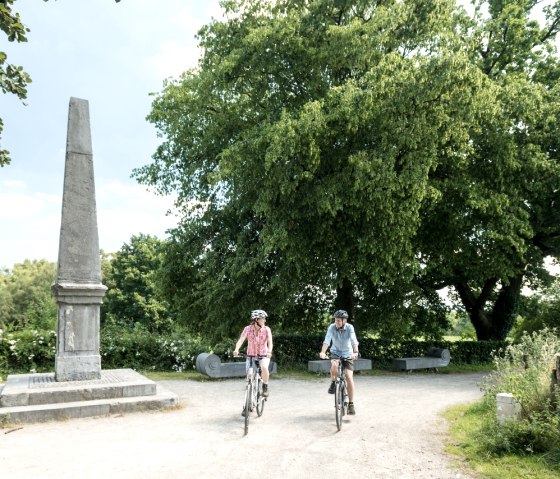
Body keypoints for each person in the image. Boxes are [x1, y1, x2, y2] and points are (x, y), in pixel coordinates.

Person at [319, 309, 359, 415]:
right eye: (336, 320)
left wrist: (355, 352)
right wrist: (323, 352)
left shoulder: (350, 328)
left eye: (339, 320)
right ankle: (333, 382)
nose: (336, 322)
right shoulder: (332, 327)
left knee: (348, 376)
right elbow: (327, 340)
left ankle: (351, 404)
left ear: (344, 321)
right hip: (336, 352)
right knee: (334, 366)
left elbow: (354, 340)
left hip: (348, 354)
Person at [233, 309, 273, 400]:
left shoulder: (267, 329)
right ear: (257, 320)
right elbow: (241, 339)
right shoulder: (248, 329)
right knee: (249, 376)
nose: (265, 320)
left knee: (264, 368)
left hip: (263, 355)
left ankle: (265, 387)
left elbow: (270, 342)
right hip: (251, 355)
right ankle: (248, 401)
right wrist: (236, 349)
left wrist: (269, 352)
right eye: (263, 319)